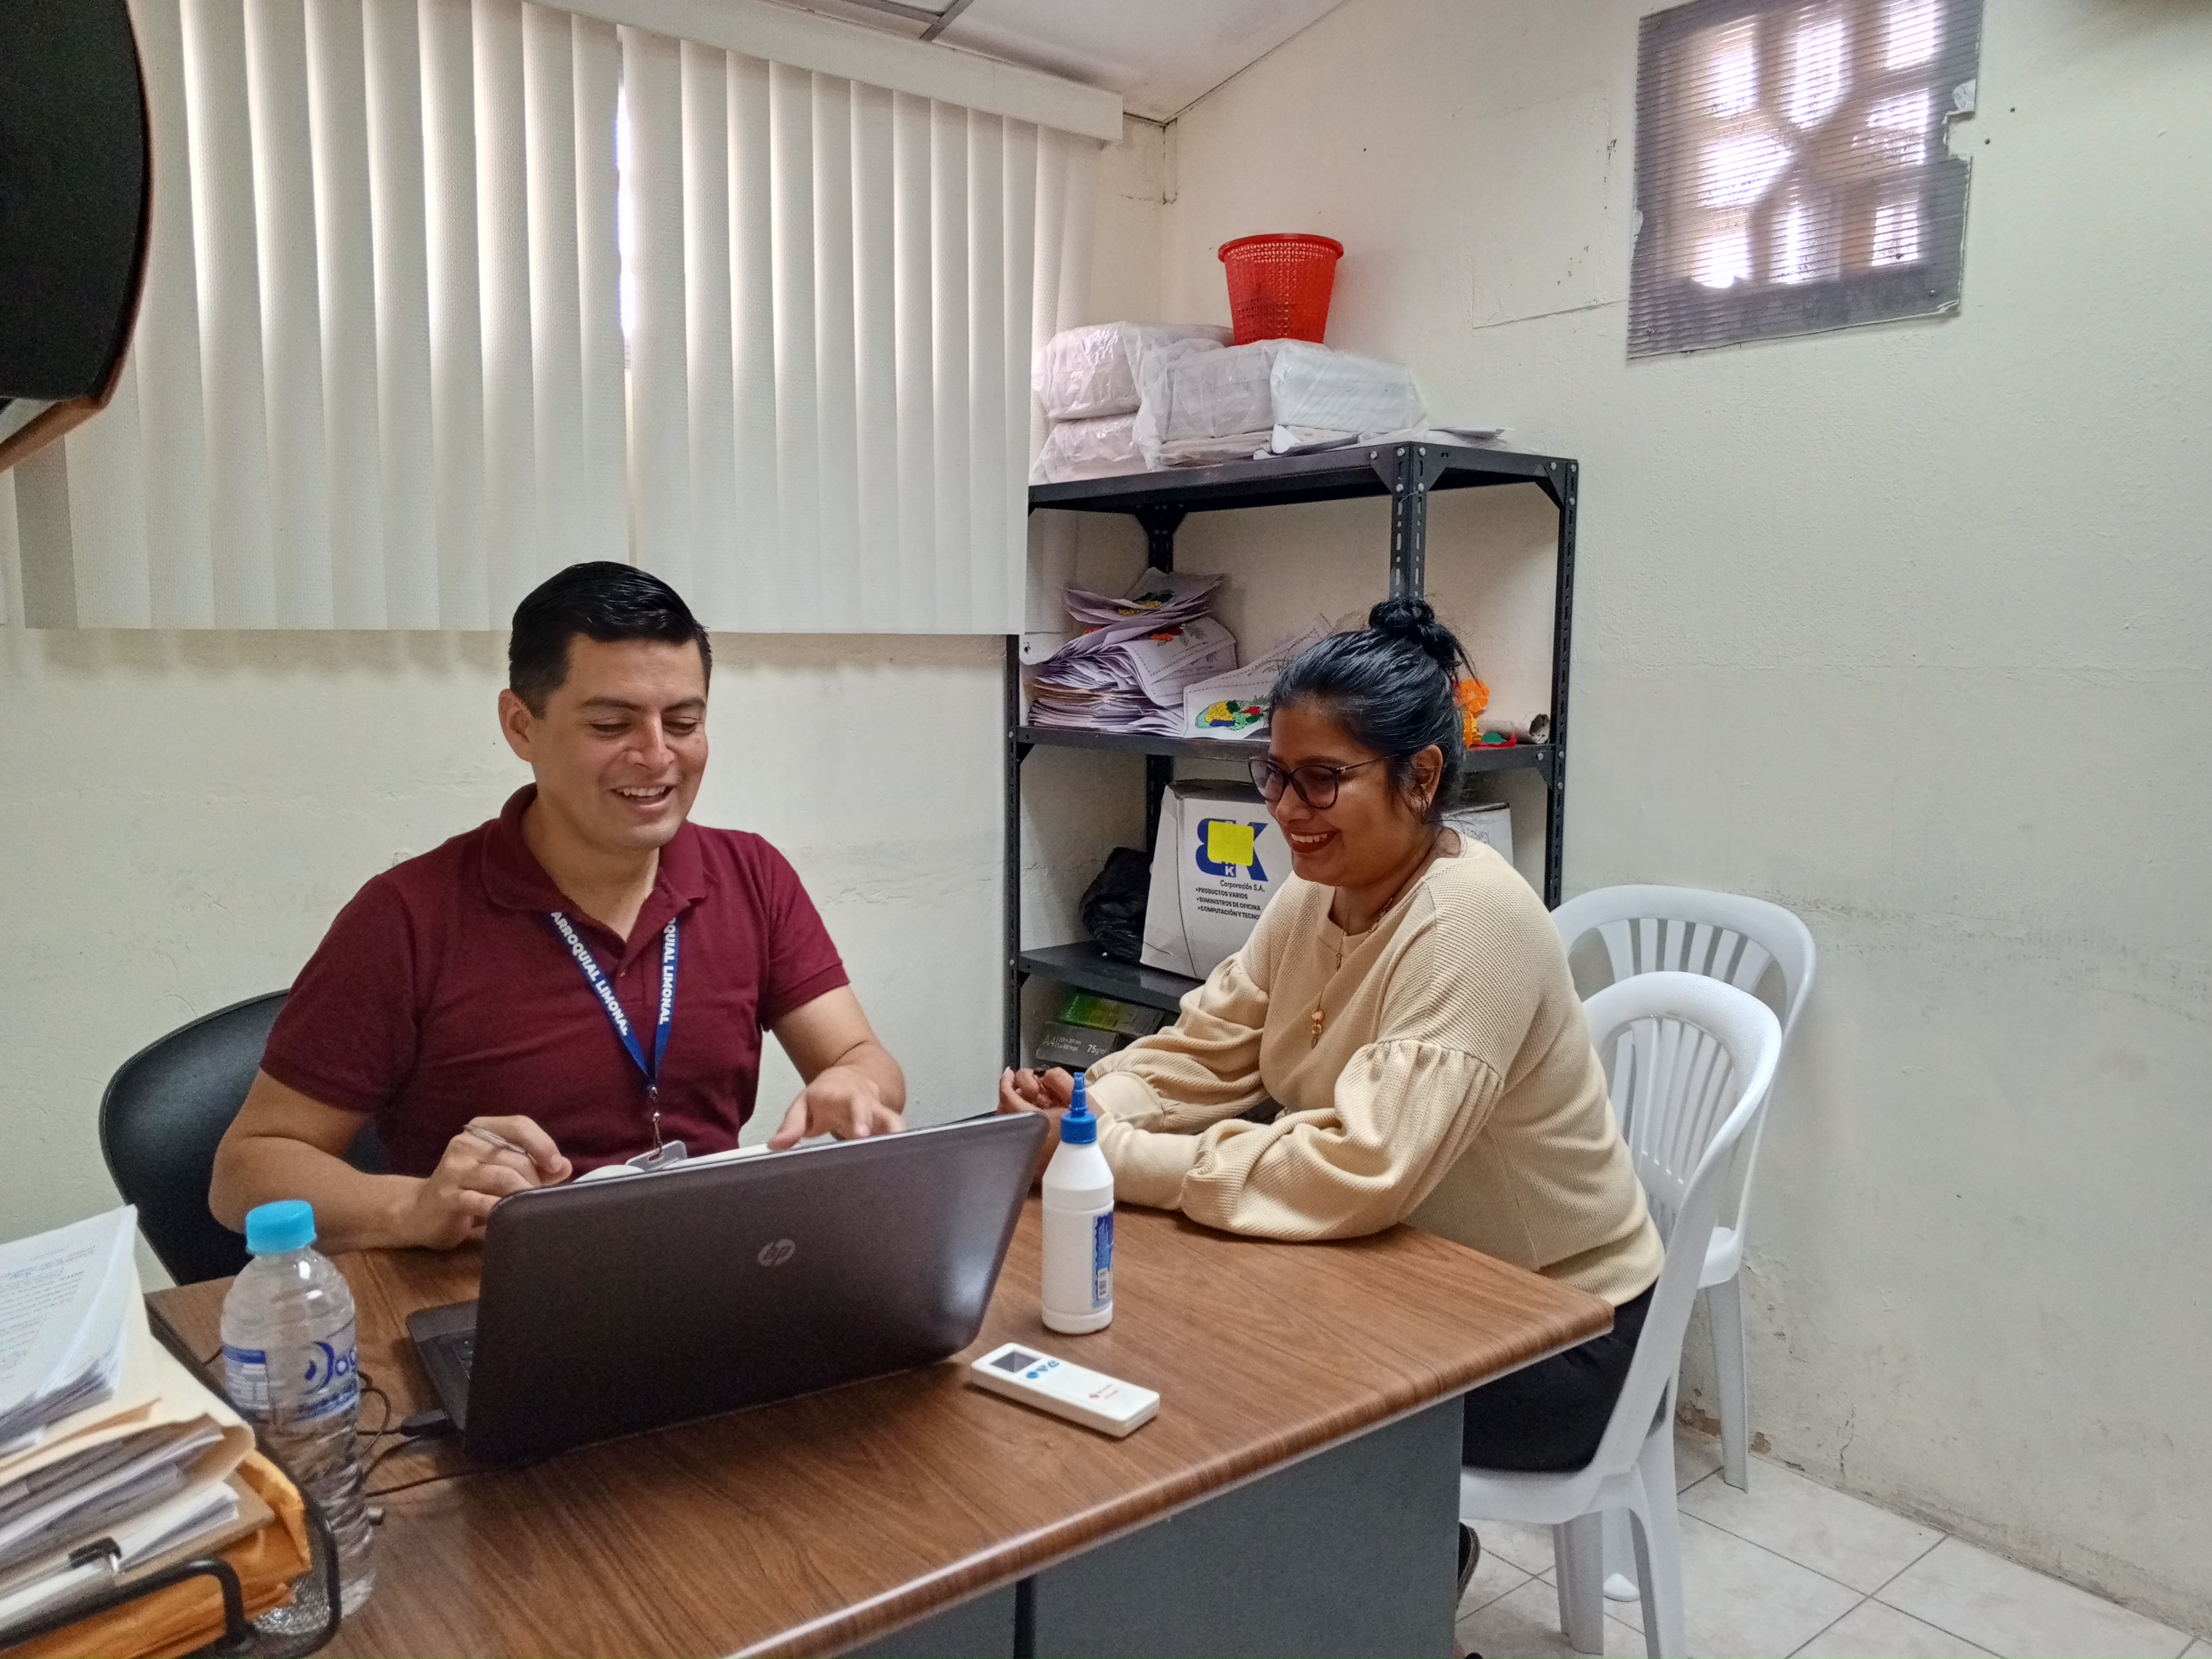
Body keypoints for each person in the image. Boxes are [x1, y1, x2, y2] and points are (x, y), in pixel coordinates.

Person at [999, 598, 1663, 1605]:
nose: (1288, 809)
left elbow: (1362, 1166)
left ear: (1421, 778)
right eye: (1275, 774)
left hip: (1564, 1333)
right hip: (1411, 1272)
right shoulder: (1315, 889)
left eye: (1323, 779)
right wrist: (1087, 1108)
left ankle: (1395, 1598)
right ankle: (1368, 1586)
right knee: (1199, 1329)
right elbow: (1209, 1047)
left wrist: (1114, 1159)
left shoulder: (1470, 922)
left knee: (1245, 1381)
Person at [211, 562, 905, 1252]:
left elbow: (860, 1058)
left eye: (683, 722)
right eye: (611, 725)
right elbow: (246, 1171)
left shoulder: (751, 874)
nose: (656, 755)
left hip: (712, 1261)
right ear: (521, 726)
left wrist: (854, 1084)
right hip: (495, 1283)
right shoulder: (408, 917)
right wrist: (412, 1207)